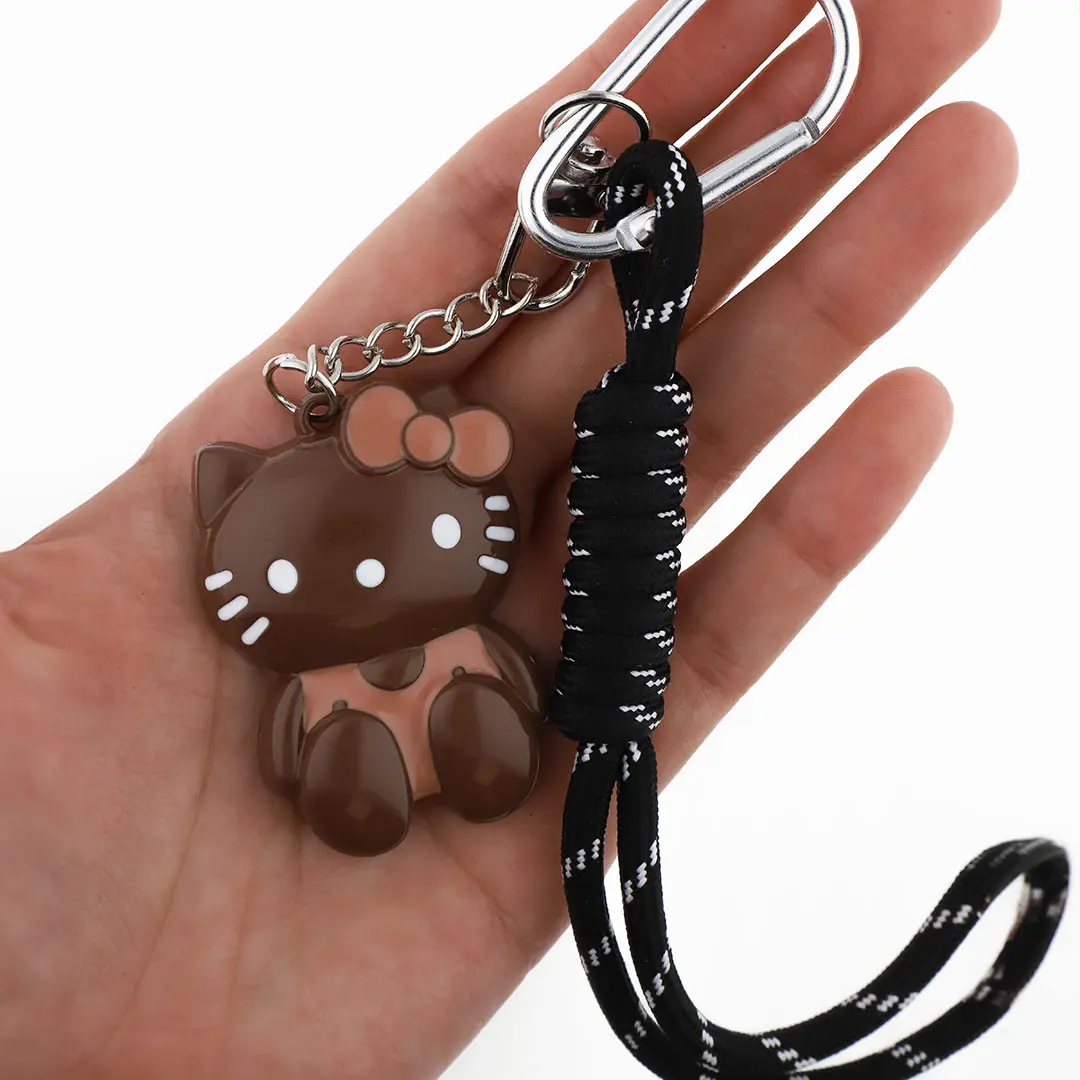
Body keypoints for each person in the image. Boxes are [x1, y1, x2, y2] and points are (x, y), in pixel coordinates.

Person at [0, 0, 1018, 1076]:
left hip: (470, 654)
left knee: (486, 714)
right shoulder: (303, 647)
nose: (373, 570)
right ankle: (372, 765)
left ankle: (469, 733)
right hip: (344, 710)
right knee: (364, 747)